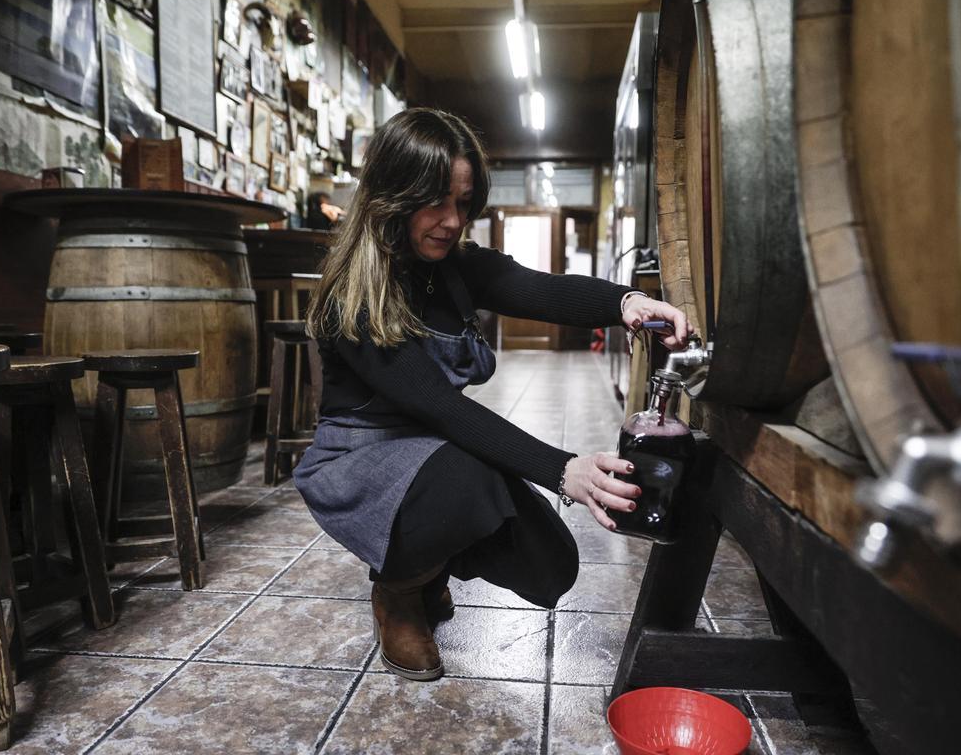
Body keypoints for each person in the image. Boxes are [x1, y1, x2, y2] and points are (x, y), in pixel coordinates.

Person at [295, 108, 689, 681]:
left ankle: (427, 566)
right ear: (393, 196)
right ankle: (399, 591)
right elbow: (444, 407)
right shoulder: (353, 298)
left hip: (434, 449)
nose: (452, 221)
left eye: (463, 203)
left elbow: (536, 288)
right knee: (471, 482)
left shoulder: (451, 265)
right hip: (362, 458)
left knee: (548, 561)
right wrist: (564, 470)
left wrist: (625, 303)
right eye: (436, 202)